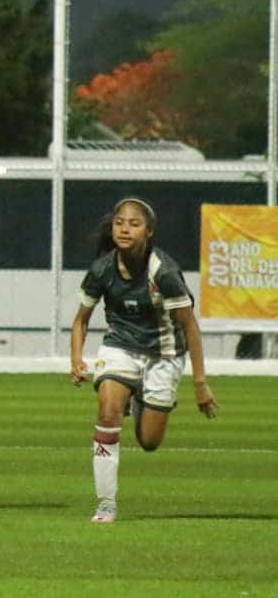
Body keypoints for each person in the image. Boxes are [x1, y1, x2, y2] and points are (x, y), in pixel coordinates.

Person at [69, 197, 219, 524]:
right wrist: (76, 360)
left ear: (149, 232)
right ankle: (106, 504)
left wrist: (200, 385)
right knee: (108, 410)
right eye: (119, 222)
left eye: (134, 224)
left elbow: (189, 326)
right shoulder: (101, 269)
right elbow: (81, 319)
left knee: (149, 442)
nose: (125, 229)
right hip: (120, 345)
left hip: (164, 354)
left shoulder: (164, 272)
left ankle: (137, 397)